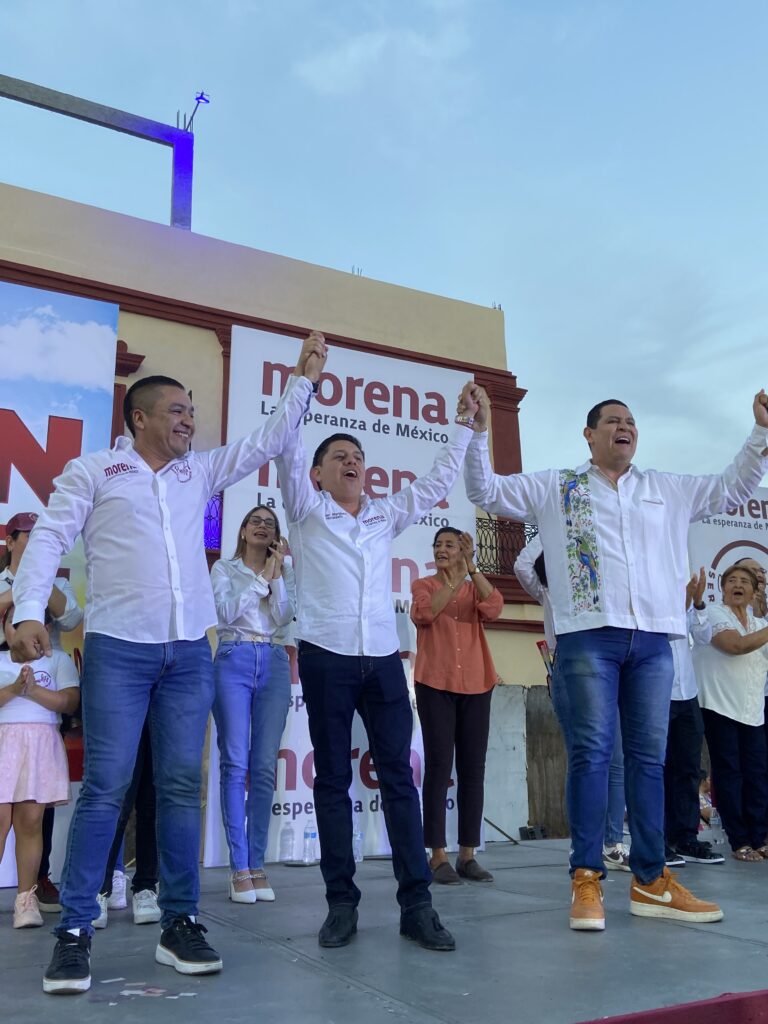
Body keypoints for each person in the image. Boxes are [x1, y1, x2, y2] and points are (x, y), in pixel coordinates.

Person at [10, 334, 326, 994]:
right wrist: (28, 612)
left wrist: (303, 380)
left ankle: (179, 924)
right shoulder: (95, 471)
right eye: (177, 411)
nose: (188, 421)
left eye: (192, 412)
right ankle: (73, 931)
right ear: (142, 419)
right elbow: (49, 541)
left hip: (189, 654)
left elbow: (266, 441)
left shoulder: (198, 473)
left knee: (181, 788)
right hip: (119, 651)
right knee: (106, 787)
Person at [463, 384, 768, 930]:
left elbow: (734, 486)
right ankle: (586, 877)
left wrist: (761, 432)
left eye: (630, 421)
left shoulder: (665, 489)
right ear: (589, 434)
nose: (624, 427)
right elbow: (484, 490)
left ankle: (651, 881)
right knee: (591, 755)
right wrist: (477, 431)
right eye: (611, 420)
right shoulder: (559, 486)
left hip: (654, 641)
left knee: (649, 761)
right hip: (588, 639)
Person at [274, 335, 478, 951]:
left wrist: (465, 424)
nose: (351, 460)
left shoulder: (384, 515)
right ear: (316, 474)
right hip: (326, 657)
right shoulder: (306, 509)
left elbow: (440, 478)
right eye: (338, 454)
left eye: (357, 454)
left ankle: (417, 905)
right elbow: (284, 445)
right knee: (332, 780)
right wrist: (303, 381)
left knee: (400, 779)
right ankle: (342, 903)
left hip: (385, 662)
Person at [514, 536, 631, 872]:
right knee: (585, 759)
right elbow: (523, 564)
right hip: (570, 665)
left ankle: (612, 844)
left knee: (618, 760)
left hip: (614, 667)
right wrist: (557, 523)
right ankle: (585, 848)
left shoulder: (603, 584)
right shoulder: (549, 590)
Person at [211, 505, 295, 904]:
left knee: (263, 767)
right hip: (234, 657)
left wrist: (277, 576)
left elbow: (283, 616)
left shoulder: (284, 572)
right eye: (256, 522)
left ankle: (258, 864)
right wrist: (262, 578)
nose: (263, 527)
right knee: (235, 762)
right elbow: (226, 612)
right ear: (243, 531)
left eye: (270, 524)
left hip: (275, 659)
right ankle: (238, 867)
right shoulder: (224, 571)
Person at [1, 510, 84, 912]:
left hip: (47, 673)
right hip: (4, 675)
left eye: (41, 536)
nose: (33, 542)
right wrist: (20, 592)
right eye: (27, 537)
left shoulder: (58, 579)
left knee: (38, 803)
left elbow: (70, 618)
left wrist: (41, 578)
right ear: (11, 541)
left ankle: (37, 880)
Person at [410, 528, 502, 884]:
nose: (442, 549)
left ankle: (467, 854)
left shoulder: (472, 586)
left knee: (472, 769)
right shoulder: (424, 585)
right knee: (438, 767)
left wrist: (473, 571)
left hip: (478, 683)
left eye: (451, 545)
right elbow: (425, 616)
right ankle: (436, 855)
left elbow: (494, 608)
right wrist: (453, 581)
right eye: (439, 545)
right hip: (435, 682)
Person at [0, 608, 80, 929]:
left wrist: (34, 690)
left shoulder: (57, 660)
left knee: (31, 820)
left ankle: (25, 897)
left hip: (41, 745)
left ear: (46, 627)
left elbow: (69, 702)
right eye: (14, 624)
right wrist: (14, 690)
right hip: (4, 744)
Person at [693, 564, 768, 861]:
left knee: (758, 773)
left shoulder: (756, 621)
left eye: (745, 582)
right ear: (722, 588)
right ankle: (739, 840)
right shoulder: (712, 613)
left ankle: (760, 835)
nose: (738, 585)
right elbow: (733, 646)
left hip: (752, 707)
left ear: (753, 592)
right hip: (720, 705)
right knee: (729, 772)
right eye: (732, 581)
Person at [663, 568, 723, 865]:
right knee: (656, 769)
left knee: (688, 769)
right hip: (655, 694)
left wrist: (697, 604)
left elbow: (703, 636)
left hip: (687, 693)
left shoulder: (689, 603)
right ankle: (656, 840)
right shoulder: (652, 600)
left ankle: (685, 836)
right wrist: (680, 604)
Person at [94, 719, 160, 928]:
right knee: (117, 803)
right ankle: (99, 890)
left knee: (151, 803)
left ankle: (146, 887)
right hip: (124, 702)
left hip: (163, 701)